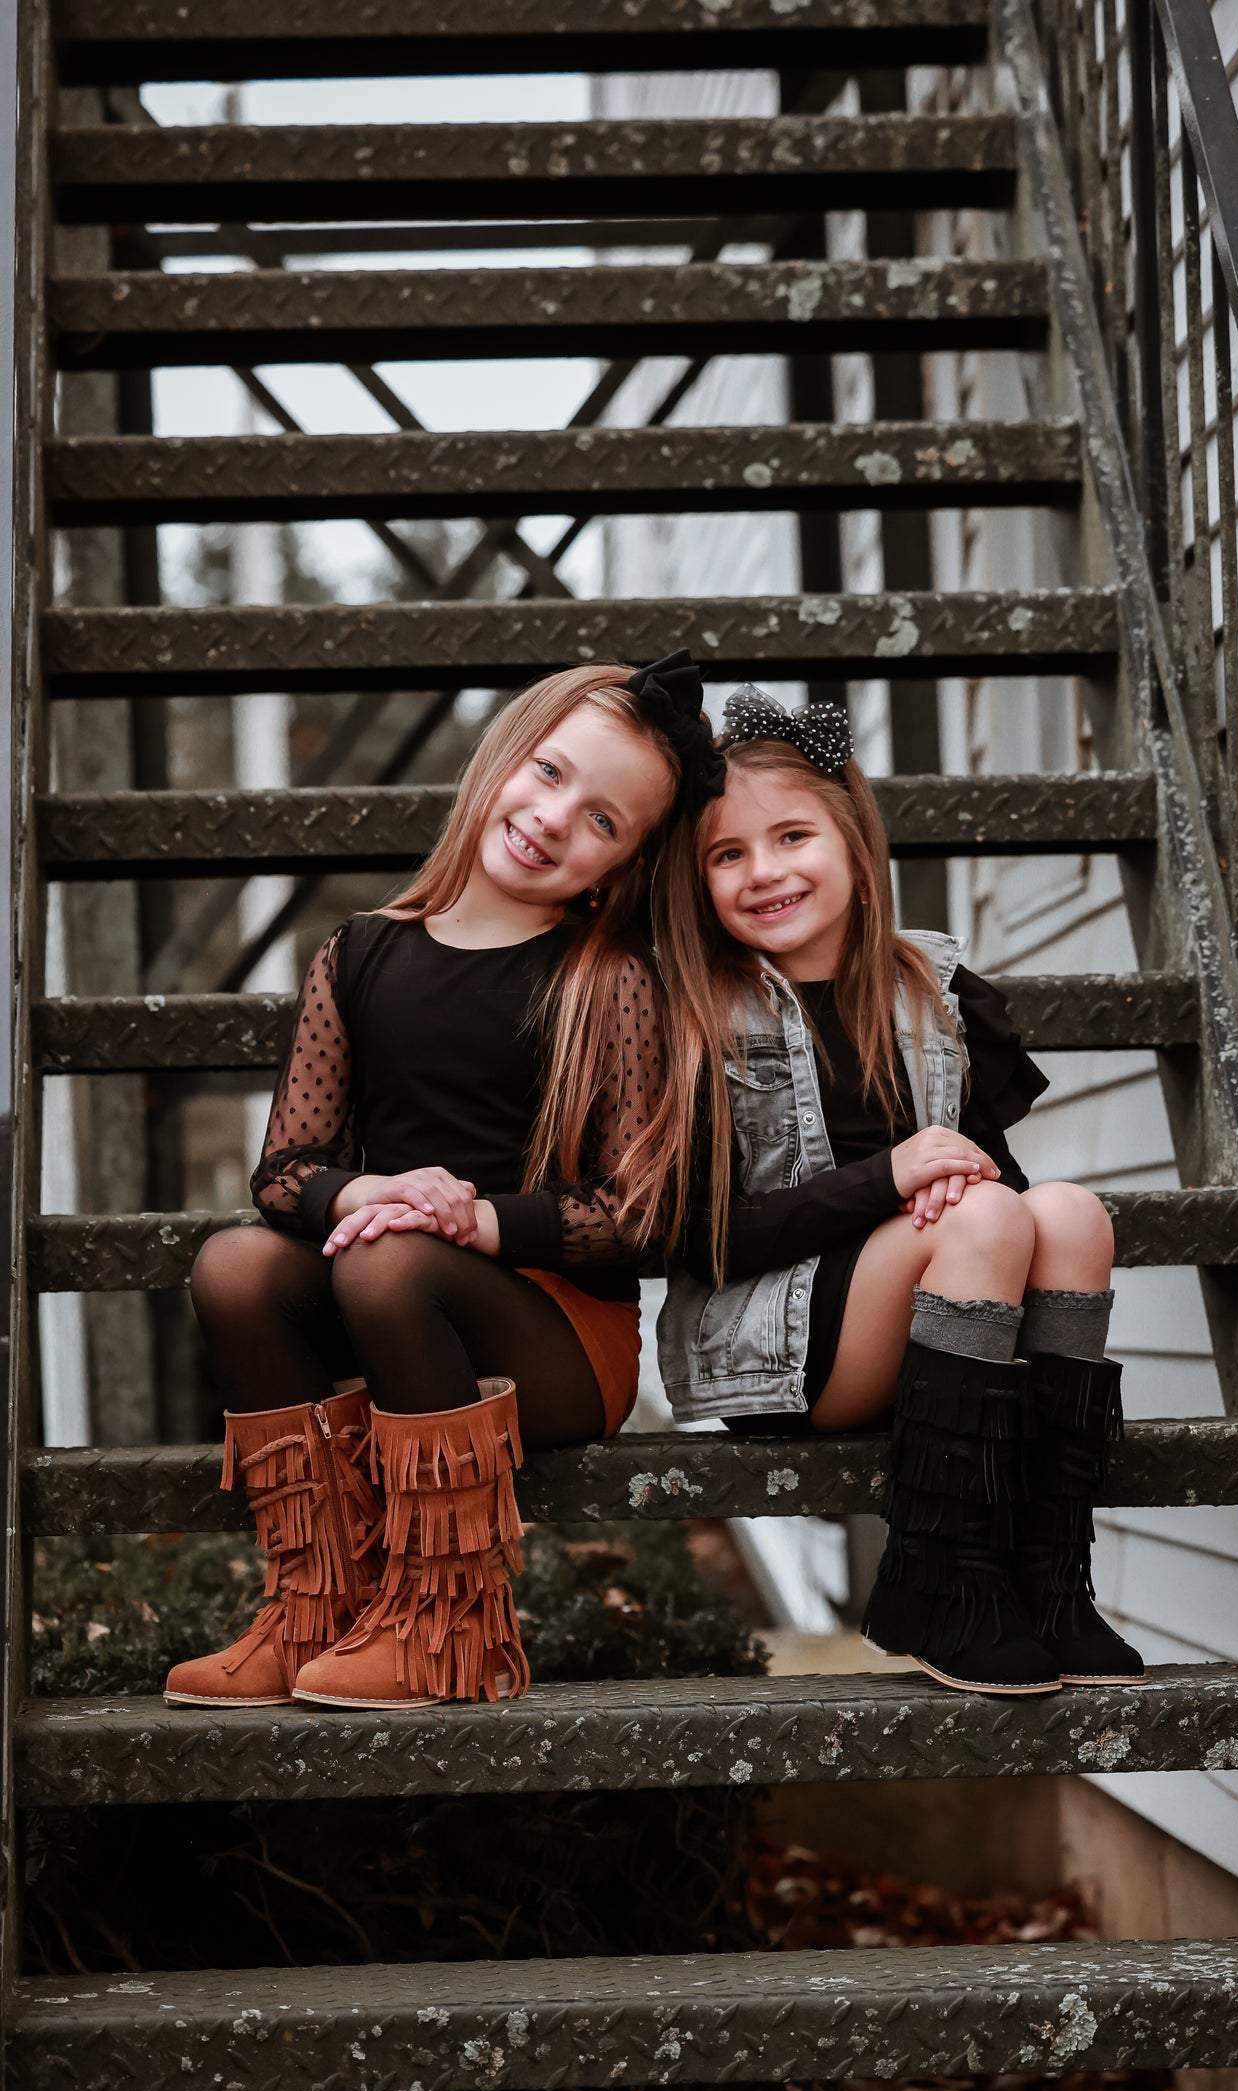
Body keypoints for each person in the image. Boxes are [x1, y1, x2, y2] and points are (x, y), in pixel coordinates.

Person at [164, 653, 723, 1714]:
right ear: (503, 757)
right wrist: (354, 1195)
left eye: (603, 820)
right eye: (549, 773)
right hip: (394, 1296)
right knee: (234, 1264)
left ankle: (448, 1623)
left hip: (554, 1342)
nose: (556, 817)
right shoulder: (361, 952)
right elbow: (283, 1172)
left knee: (391, 1265)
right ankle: (313, 1606)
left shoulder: (606, 981)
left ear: (618, 867)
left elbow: (637, 1217)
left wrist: (476, 1221)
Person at [652, 686, 1144, 1697]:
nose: (766, 870)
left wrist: (956, 1191)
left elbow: (988, 1176)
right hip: (781, 1346)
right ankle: (936, 1579)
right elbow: (699, 1237)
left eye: (792, 835)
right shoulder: (696, 1009)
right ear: (694, 879)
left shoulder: (933, 984)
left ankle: (1047, 1578)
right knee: (985, 1211)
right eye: (727, 853)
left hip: (938, 1327)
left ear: (852, 842)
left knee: (1067, 1211)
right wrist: (894, 1181)